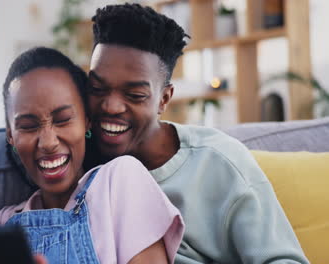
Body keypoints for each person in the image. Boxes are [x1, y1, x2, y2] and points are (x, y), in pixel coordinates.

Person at [84, 3, 309, 264]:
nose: (111, 106)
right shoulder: (76, 157)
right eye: (97, 88)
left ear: (164, 99)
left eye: (135, 95)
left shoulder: (218, 162)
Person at [0, 47, 184, 263]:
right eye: (28, 126)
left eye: (63, 119)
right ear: (11, 135)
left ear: (86, 120)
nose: (48, 142)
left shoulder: (119, 181)